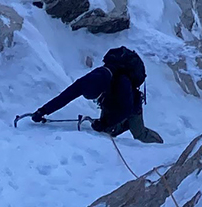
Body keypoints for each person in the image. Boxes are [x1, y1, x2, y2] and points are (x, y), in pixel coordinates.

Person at [29, 46, 164, 142]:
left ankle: (159, 146)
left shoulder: (122, 83)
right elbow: (65, 96)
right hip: (110, 101)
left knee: (139, 134)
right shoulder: (88, 81)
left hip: (131, 105)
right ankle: (121, 125)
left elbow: (127, 109)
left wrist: (104, 123)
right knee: (104, 131)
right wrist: (43, 111)